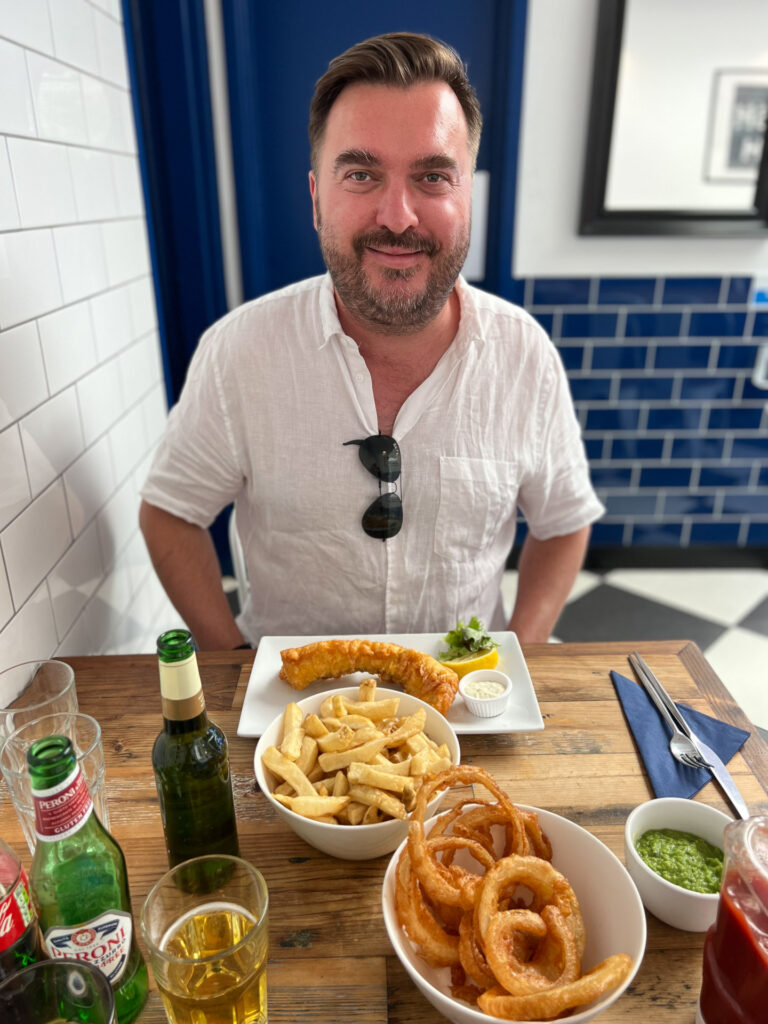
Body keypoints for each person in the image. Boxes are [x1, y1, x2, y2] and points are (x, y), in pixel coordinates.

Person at [140, 31, 604, 650]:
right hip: (294, 720)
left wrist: (519, 655)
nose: (397, 216)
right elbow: (171, 513)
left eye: (434, 177)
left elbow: (564, 521)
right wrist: (232, 665)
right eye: (361, 173)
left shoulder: (524, 356)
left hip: (463, 699)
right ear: (315, 199)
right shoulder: (239, 352)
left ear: (468, 197)